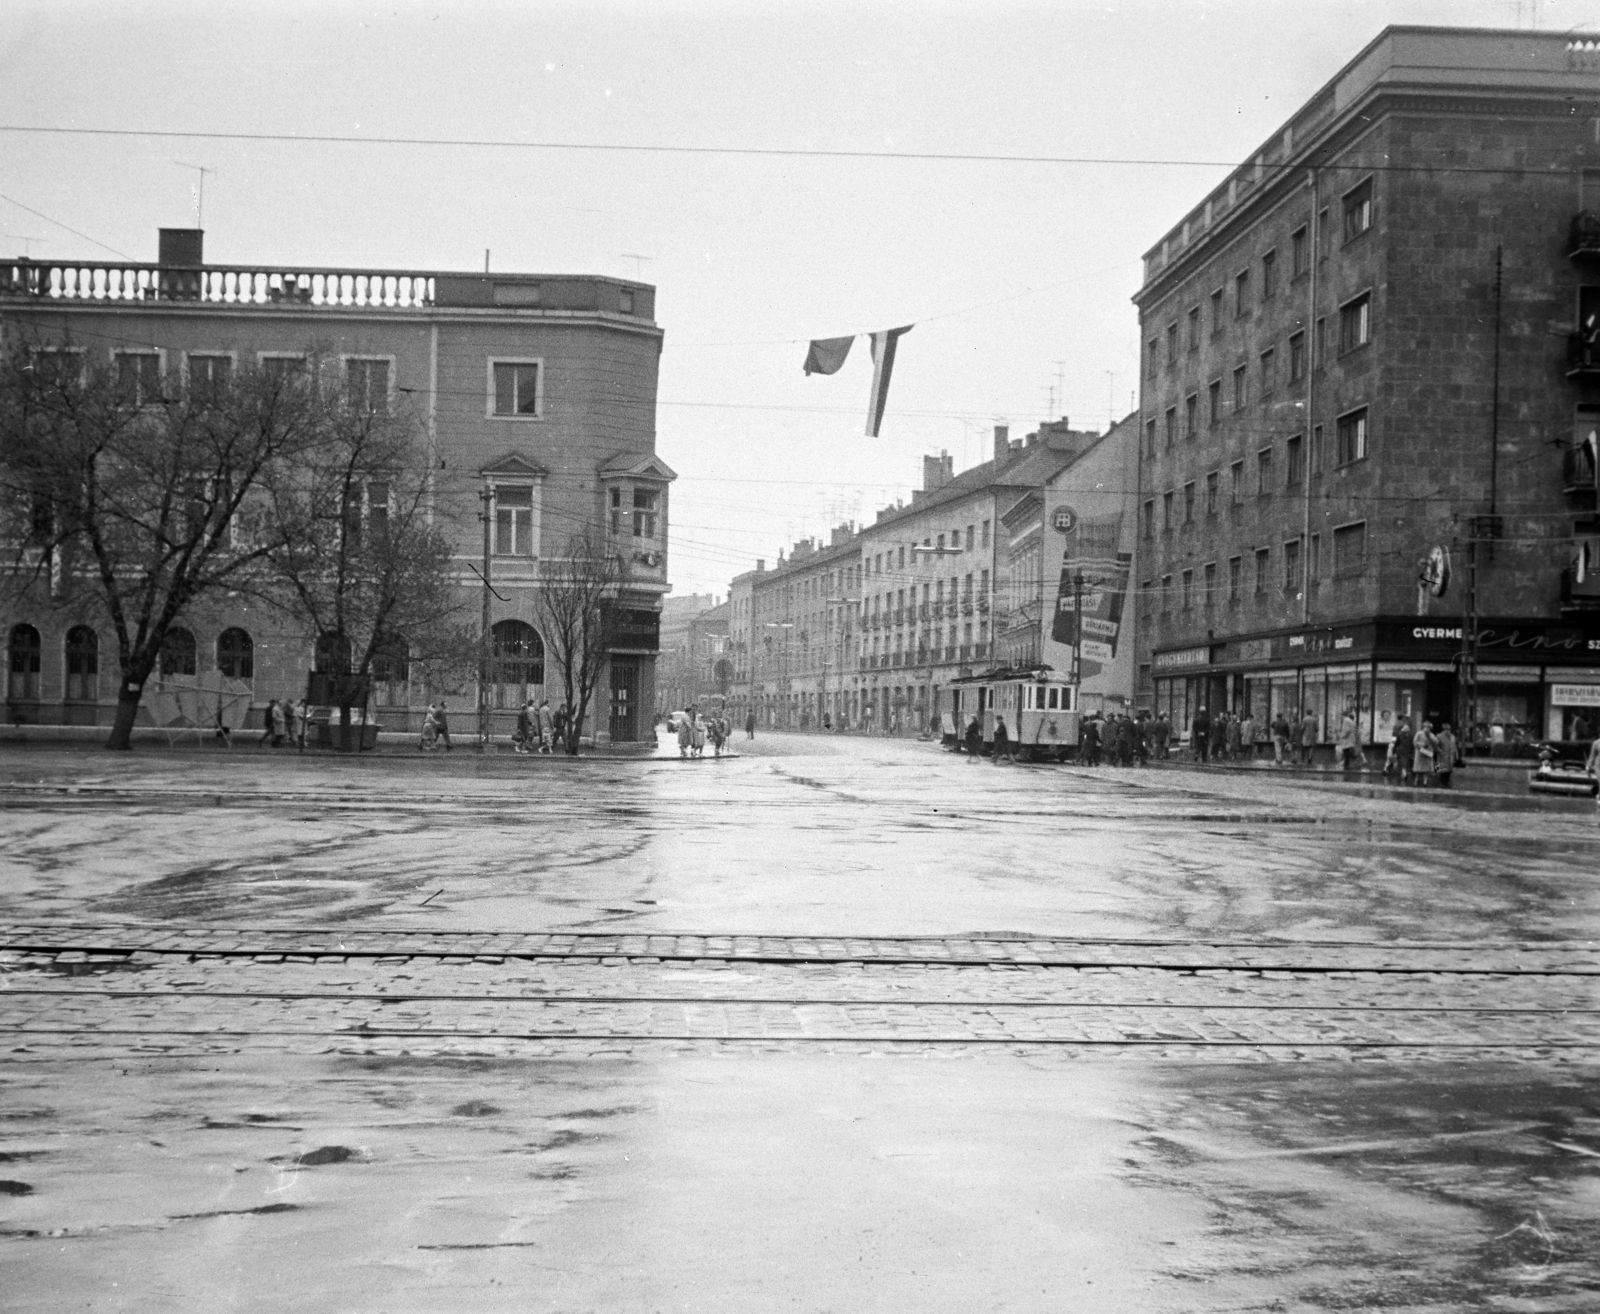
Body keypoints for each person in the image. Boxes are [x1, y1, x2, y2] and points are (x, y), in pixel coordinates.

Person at [1412, 719, 1437, 787]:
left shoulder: (1431, 735)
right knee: (1418, 770)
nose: (1427, 728)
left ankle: (1425, 782)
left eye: (1428, 727)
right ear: (1423, 727)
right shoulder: (1419, 733)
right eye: (1426, 727)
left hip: (1427, 754)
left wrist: (1430, 736)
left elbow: (1436, 742)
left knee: (1426, 770)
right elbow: (1415, 742)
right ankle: (1416, 781)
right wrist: (1422, 745)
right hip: (1420, 753)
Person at [1435, 722, 1458, 788]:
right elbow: (1436, 746)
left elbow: (1454, 746)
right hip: (1442, 756)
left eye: (1449, 729)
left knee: (1449, 770)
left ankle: (1447, 782)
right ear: (1443, 730)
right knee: (1442, 770)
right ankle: (1442, 783)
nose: (1448, 731)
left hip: (1450, 756)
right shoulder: (1439, 736)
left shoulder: (1452, 737)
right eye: (1446, 729)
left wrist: (1456, 755)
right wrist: (1439, 751)